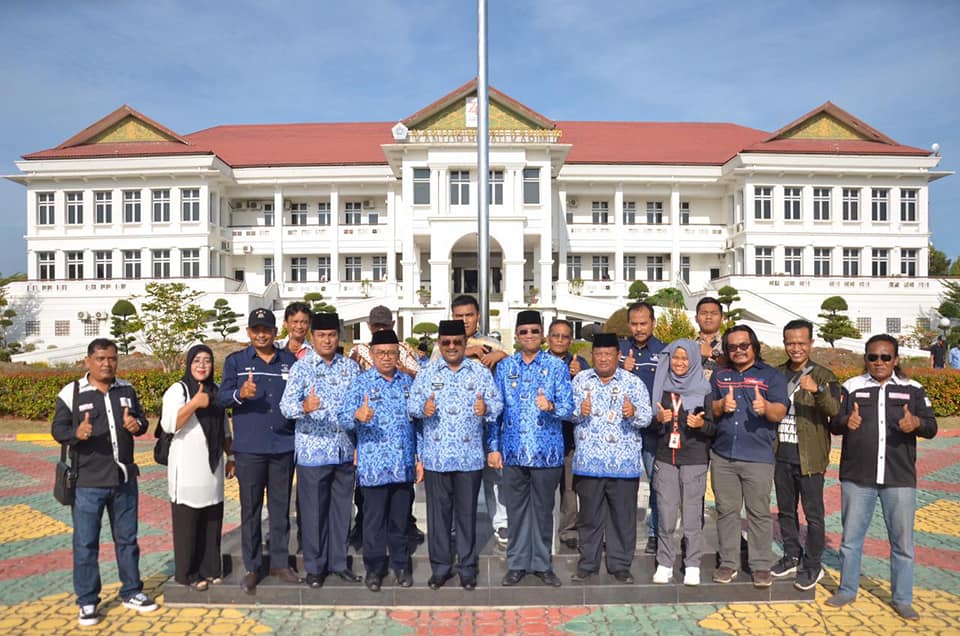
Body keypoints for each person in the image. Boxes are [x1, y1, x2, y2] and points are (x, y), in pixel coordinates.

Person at [826, 334, 937, 620]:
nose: (879, 362)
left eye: (885, 357)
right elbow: (834, 424)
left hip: (899, 478)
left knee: (902, 544)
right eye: (873, 357)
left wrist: (916, 423)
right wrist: (844, 422)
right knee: (851, 539)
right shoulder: (852, 387)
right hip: (857, 476)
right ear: (866, 359)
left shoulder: (913, 389)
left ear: (896, 359)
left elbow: (931, 426)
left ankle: (902, 598)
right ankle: (847, 590)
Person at [51, 338, 157, 626]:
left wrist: (137, 425)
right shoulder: (71, 392)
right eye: (100, 359)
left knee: (127, 540)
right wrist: (77, 433)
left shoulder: (126, 389)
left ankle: (132, 591)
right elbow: (58, 429)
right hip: (88, 482)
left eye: (111, 358)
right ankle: (87, 601)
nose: (106, 364)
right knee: (86, 543)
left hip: (123, 478)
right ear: (88, 361)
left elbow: (141, 421)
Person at [408, 320, 503, 590]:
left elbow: (497, 406)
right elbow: (411, 406)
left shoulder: (479, 372)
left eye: (457, 342)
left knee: (466, 515)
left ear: (465, 343)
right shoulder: (427, 372)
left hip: (469, 457)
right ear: (439, 343)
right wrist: (422, 408)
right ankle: (440, 567)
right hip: (436, 457)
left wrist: (485, 408)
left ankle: (467, 567)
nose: (451, 347)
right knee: (438, 517)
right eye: (446, 342)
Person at [217, 308, 300, 594]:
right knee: (250, 510)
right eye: (257, 330)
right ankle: (252, 567)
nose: (262, 334)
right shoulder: (236, 362)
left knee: (280, 508)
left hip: (282, 446)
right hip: (249, 449)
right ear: (249, 332)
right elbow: (220, 397)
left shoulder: (289, 361)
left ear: (276, 332)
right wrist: (241, 394)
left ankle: (279, 562)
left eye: (267, 329)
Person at [490, 311, 574, 588]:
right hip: (513, 452)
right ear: (516, 336)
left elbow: (568, 407)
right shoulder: (505, 368)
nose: (529, 336)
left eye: (534, 331)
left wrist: (550, 406)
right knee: (515, 510)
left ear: (543, 335)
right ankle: (516, 563)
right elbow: (495, 413)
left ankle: (541, 563)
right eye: (524, 332)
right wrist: (494, 447)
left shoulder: (556, 367)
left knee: (542, 510)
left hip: (547, 452)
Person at [279, 312, 361, 588]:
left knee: (342, 510)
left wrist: (358, 441)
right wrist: (305, 407)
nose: (327, 340)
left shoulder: (350, 368)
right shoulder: (302, 368)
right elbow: (285, 407)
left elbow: (357, 408)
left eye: (332, 335)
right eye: (322, 335)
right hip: (313, 451)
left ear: (339, 336)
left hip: (343, 450)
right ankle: (315, 567)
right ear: (312, 338)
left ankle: (339, 563)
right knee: (313, 512)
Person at [709, 324, 788, 588]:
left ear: (754, 346)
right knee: (727, 511)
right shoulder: (720, 375)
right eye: (732, 347)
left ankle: (760, 565)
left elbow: (780, 412)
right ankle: (728, 562)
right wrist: (720, 405)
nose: (739, 351)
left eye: (744, 345)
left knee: (758, 513)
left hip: (758, 456)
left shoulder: (771, 376)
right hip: (723, 456)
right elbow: (710, 409)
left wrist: (765, 407)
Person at [339, 329, 418, 591]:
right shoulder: (361, 384)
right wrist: (356, 417)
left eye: (392, 353)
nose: (386, 357)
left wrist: (419, 458)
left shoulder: (408, 384)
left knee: (400, 520)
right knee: (373, 522)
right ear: (372, 355)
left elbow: (417, 423)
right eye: (381, 353)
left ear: (398, 355)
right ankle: (374, 569)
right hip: (373, 467)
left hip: (403, 465)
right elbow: (343, 416)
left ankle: (401, 565)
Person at [570, 332, 652, 584]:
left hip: (623, 465)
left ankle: (620, 565)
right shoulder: (580, 380)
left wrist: (633, 411)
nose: (603, 359)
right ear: (592, 356)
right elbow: (567, 414)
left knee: (622, 518)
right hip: (589, 464)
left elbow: (646, 418)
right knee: (589, 517)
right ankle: (588, 563)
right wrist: (578, 411)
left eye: (608, 354)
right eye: (598, 354)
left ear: (618, 356)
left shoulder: (633, 382)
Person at [435, 295, 511, 548]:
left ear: (478, 316)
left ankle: (501, 524)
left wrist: (500, 355)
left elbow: (512, 367)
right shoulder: (443, 343)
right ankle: (454, 526)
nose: (464, 320)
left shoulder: (492, 343)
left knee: (494, 476)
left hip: (486, 422)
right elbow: (436, 365)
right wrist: (468, 351)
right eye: (459, 316)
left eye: (469, 315)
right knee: (455, 480)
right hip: (450, 428)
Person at [346, 305, 424, 550]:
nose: (381, 328)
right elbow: (350, 392)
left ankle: (404, 537)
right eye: (377, 325)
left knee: (402, 500)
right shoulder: (359, 351)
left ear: (392, 324)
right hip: (371, 442)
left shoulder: (404, 350)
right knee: (369, 502)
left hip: (400, 445)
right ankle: (366, 536)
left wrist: (401, 368)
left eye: (385, 325)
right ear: (369, 326)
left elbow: (419, 378)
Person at [772, 320, 841, 590]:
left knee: (814, 515)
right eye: (791, 343)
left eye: (801, 342)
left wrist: (818, 391)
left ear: (811, 343)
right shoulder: (777, 374)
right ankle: (791, 555)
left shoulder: (825, 376)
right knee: (785, 511)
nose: (796, 348)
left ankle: (813, 565)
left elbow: (835, 411)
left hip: (810, 457)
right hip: (781, 455)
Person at [160, 344, 233, 591]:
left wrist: (231, 456)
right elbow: (171, 424)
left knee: (212, 518)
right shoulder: (177, 390)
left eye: (207, 361)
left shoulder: (217, 391)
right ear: (187, 364)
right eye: (197, 361)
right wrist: (194, 403)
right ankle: (187, 573)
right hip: (187, 468)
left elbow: (224, 427)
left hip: (212, 467)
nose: (202, 366)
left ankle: (211, 569)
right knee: (188, 523)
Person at [650, 339, 715, 586]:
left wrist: (702, 425)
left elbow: (712, 428)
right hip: (666, 457)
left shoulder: (704, 388)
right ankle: (665, 562)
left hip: (695, 458)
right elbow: (650, 422)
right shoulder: (662, 386)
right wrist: (658, 419)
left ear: (693, 360)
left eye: (684, 358)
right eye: (675, 358)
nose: (679, 363)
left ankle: (692, 564)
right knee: (666, 514)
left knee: (691, 516)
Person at [618, 301, 664, 555]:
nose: (639, 328)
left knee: (658, 483)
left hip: (653, 430)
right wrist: (619, 369)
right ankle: (620, 534)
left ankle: (655, 533)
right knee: (622, 484)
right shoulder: (619, 350)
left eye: (643, 323)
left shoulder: (665, 351)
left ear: (653, 323)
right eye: (634, 324)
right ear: (628, 325)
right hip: (623, 431)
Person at [545, 318, 590, 549]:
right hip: (544, 434)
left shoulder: (578, 363)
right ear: (548, 338)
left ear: (570, 340)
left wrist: (578, 375)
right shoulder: (540, 362)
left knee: (570, 486)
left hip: (570, 435)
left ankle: (568, 528)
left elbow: (588, 396)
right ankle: (541, 528)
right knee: (543, 487)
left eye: (564, 336)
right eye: (555, 336)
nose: (560, 340)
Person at [694, 297, 725, 379]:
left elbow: (738, 367)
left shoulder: (730, 344)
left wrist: (713, 354)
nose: (708, 317)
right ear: (696, 318)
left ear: (722, 318)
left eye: (714, 313)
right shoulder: (687, 344)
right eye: (703, 313)